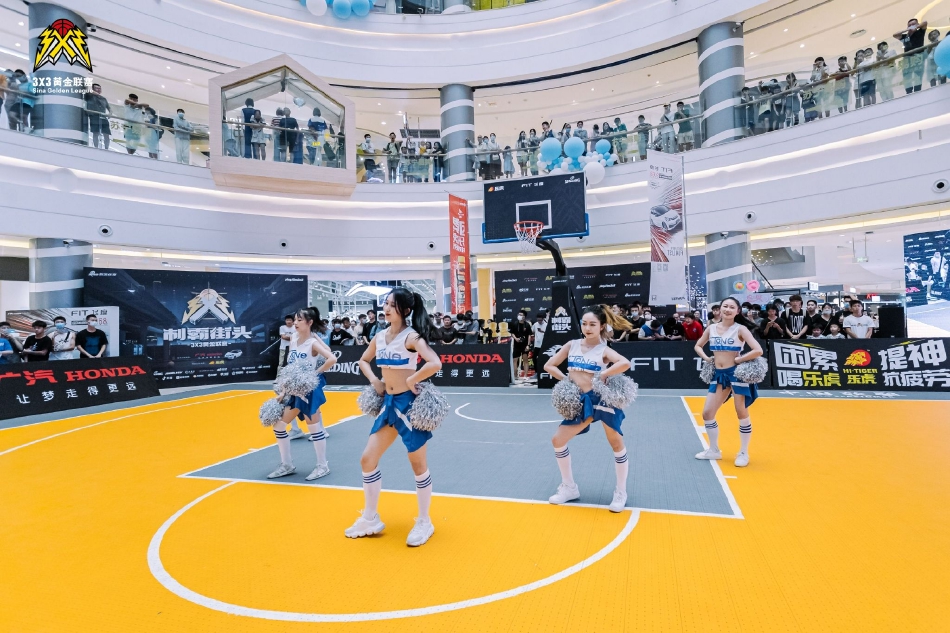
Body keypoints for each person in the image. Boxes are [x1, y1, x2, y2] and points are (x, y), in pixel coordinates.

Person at [347, 287, 442, 546]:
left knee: (418, 465)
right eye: (385, 303)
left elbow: (435, 362)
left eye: (392, 304)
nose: (386, 308)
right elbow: (363, 360)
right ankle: (370, 517)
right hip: (388, 405)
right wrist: (375, 380)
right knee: (367, 459)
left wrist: (412, 379)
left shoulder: (411, 337)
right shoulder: (379, 336)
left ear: (406, 310)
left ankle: (424, 521)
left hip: (409, 406)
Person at [543, 305, 633, 512]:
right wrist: (566, 380)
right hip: (582, 401)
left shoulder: (603, 349)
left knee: (616, 443)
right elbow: (549, 365)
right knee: (558, 440)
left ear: (601, 326)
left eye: (593, 324)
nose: (587, 328)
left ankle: (621, 492)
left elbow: (625, 363)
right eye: (584, 324)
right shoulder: (572, 345)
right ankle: (569, 488)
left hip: (602, 399)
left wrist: (604, 374)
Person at [266, 308, 337, 481]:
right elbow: (291, 367)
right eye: (295, 320)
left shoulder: (312, 343)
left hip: (308, 392)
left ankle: (322, 466)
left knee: (314, 429)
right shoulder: (294, 339)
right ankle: (287, 465)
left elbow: (332, 358)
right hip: (293, 391)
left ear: (309, 322)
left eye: (299, 320)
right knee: (279, 426)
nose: (295, 323)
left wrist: (314, 374)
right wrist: (284, 391)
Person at [693, 297, 763, 468]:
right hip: (719, 375)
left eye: (732, 307)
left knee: (741, 412)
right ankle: (714, 450)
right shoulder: (711, 328)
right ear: (720, 308)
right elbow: (698, 346)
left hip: (737, 374)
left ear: (737, 311)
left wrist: (740, 360)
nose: (728, 309)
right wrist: (707, 359)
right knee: (707, 413)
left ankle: (743, 452)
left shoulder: (741, 329)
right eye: (725, 306)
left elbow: (758, 350)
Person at [895, 18, 928, 94]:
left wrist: (916, 27)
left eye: (913, 24)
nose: (911, 26)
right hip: (907, 59)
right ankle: (908, 92)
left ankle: (917, 91)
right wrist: (907, 30)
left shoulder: (920, 32)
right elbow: (895, 35)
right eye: (909, 25)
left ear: (917, 24)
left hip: (918, 57)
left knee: (918, 75)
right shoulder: (905, 37)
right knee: (907, 76)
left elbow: (925, 23)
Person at [84, 83, 112, 150]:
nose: (99, 89)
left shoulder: (103, 99)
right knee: (96, 133)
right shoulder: (90, 96)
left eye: (99, 88)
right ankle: (96, 148)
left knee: (106, 134)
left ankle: (106, 148)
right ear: (93, 89)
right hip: (94, 117)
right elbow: (87, 91)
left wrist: (110, 113)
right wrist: (94, 93)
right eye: (97, 88)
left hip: (103, 117)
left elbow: (109, 108)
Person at [510, 310, 533, 379]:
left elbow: (529, 335)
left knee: (525, 360)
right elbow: (512, 333)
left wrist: (528, 345)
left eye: (521, 315)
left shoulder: (527, 325)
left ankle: (525, 376)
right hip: (517, 345)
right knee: (514, 360)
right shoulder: (515, 324)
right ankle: (515, 375)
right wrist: (516, 338)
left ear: (524, 317)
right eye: (519, 314)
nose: (519, 316)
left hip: (525, 345)